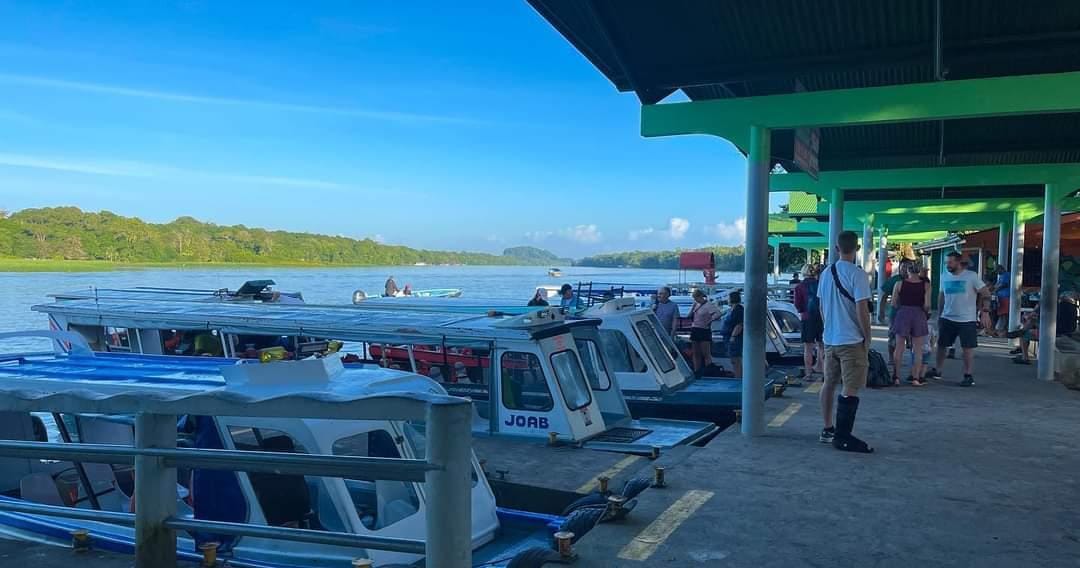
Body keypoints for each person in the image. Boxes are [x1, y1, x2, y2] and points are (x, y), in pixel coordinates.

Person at [817, 230, 873, 453]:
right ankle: (843, 436)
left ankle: (828, 428)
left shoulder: (825, 273)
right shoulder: (858, 275)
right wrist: (867, 337)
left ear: (837, 248)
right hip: (851, 340)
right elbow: (862, 310)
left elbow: (822, 307)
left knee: (828, 383)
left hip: (830, 338)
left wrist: (828, 330)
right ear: (857, 248)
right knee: (850, 387)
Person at [927, 251, 990, 386]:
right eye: (946, 263)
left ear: (958, 262)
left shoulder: (971, 276)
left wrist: (985, 311)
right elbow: (942, 295)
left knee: (967, 347)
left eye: (950, 262)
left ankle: (968, 374)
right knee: (942, 345)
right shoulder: (944, 276)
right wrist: (939, 313)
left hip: (966, 319)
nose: (947, 265)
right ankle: (938, 370)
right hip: (947, 317)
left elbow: (986, 293)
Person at [890, 261, 931, 386]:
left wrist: (901, 308)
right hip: (918, 313)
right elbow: (927, 305)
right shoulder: (926, 285)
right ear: (919, 271)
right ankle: (915, 378)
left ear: (907, 271)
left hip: (903, 313)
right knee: (917, 348)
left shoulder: (899, 284)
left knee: (899, 347)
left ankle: (896, 377)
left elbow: (893, 303)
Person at [793, 264, 824, 379]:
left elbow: (797, 305)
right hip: (821, 317)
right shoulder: (820, 284)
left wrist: (802, 311)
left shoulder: (799, 287)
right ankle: (825, 373)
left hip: (807, 317)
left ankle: (808, 373)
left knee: (808, 347)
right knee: (822, 345)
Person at [689, 289, 722, 378]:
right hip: (695, 328)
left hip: (704, 329)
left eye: (696, 298)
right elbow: (689, 315)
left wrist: (710, 320)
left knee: (705, 353)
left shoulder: (708, 305)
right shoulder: (696, 304)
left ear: (700, 297)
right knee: (696, 352)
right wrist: (693, 307)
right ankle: (697, 371)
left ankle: (708, 371)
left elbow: (718, 313)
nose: (695, 300)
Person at [992, 265, 1011, 336]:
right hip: (1000, 297)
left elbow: (1004, 284)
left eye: (997, 271)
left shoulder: (1006, 275)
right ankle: (999, 329)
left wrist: (995, 290)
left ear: (1000, 269)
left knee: (1005, 314)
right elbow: (997, 285)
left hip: (1005, 296)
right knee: (1001, 314)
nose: (997, 273)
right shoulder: (1001, 276)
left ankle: (1005, 330)